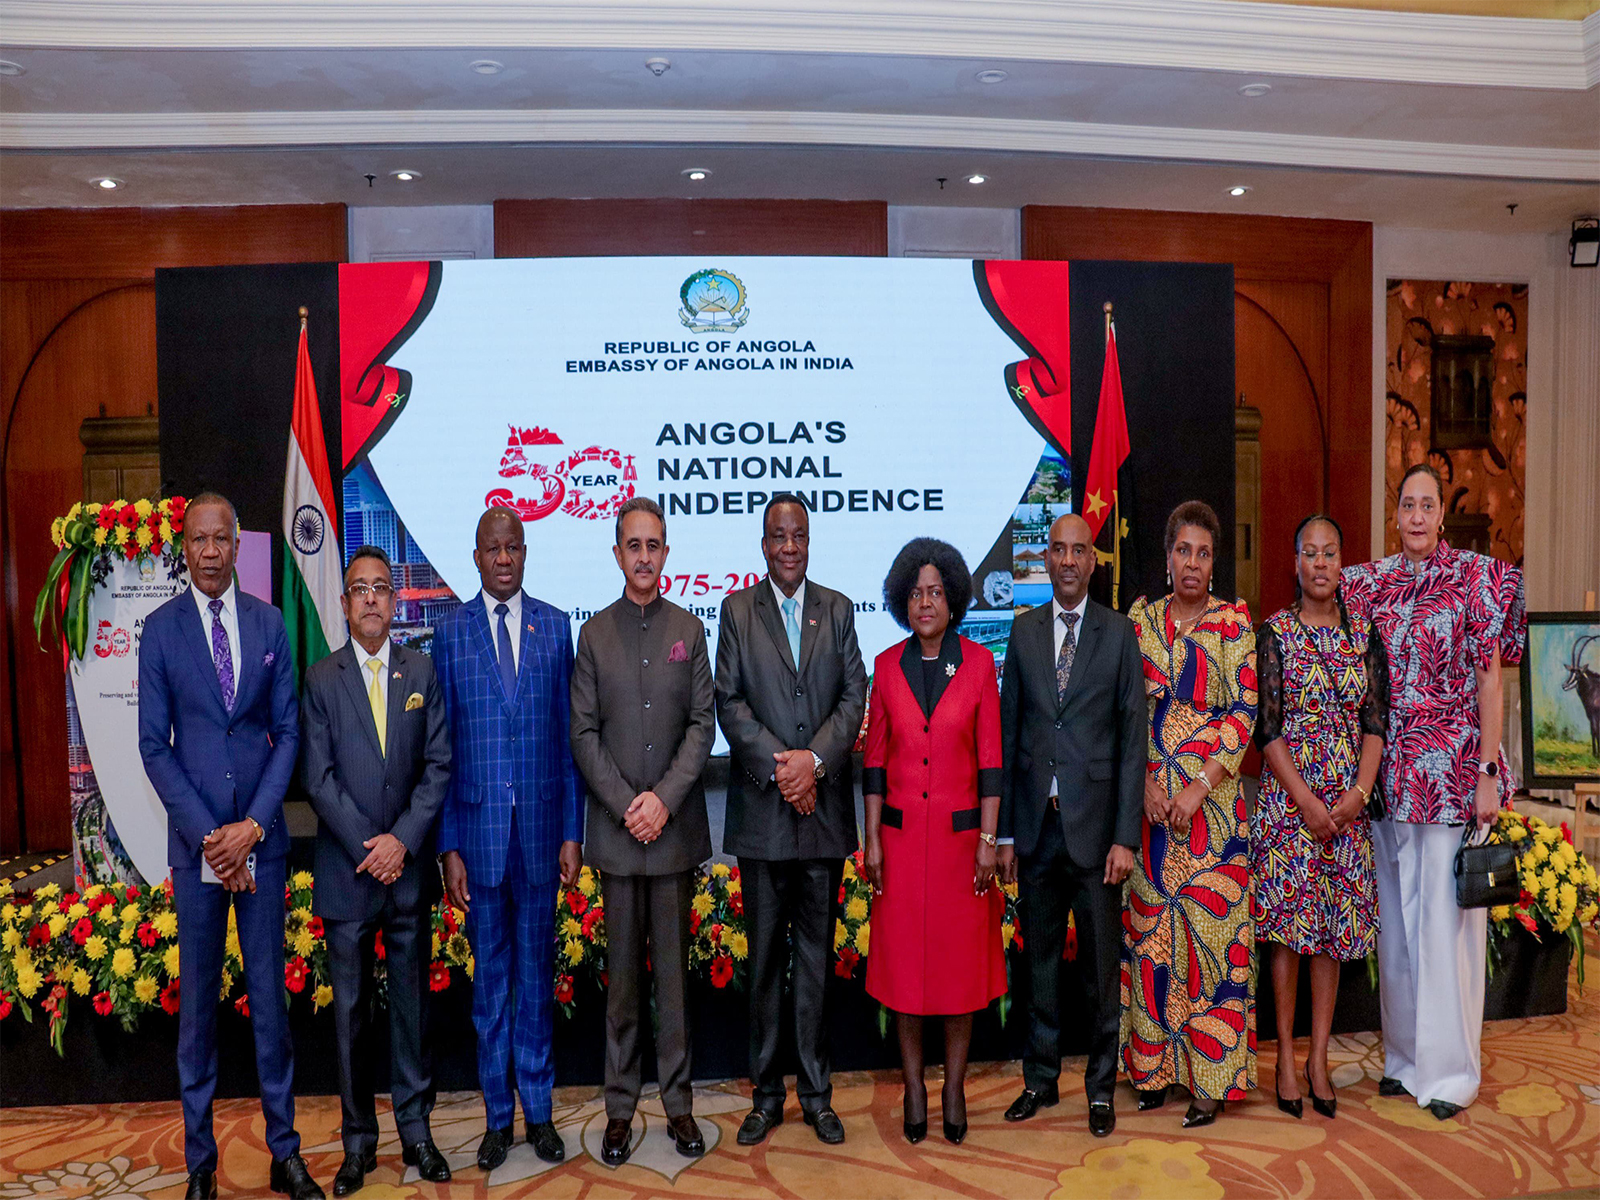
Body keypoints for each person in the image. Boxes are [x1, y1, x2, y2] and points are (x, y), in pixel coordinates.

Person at [137, 491, 324, 1200]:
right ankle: (199, 1164)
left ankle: (285, 1153)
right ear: (183, 547)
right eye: (199, 540)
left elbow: (289, 733)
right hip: (199, 853)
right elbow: (155, 747)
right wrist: (214, 838)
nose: (211, 551)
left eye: (222, 539)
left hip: (261, 843)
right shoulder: (160, 631)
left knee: (271, 1009)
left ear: (238, 545)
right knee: (198, 1018)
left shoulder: (269, 622)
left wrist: (253, 827)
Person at [1341, 463, 1525, 1120]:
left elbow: (1490, 680)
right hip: (1389, 777)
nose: (1417, 516)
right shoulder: (1370, 584)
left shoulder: (1476, 579)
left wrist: (1487, 772)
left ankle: (1450, 1074)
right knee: (1397, 926)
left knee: (1447, 928)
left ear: (1442, 515)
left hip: (1453, 775)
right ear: (1395, 515)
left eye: (1428, 505)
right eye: (1407, 505)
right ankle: (1405, 1058)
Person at [715, 493, 867, 1146]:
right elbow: (728, 702)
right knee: (763, 966)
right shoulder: (736, 612)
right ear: (763, 544)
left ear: (809, 541)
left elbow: (854, 696)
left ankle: (817, 1095)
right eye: (778, 536)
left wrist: (815, 763)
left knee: (815, 964)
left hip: (822, 819)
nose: (789, 546)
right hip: (764, 821)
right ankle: (767, 1096)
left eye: (798, 535)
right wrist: (786, 770)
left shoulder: (838, 609)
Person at [435, 508, 585, 1169]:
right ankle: (499, 1117)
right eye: (492, 549)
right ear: (476, 557)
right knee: (491, 988)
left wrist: (573, 832)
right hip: (479, 841)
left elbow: (570, 741)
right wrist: (448, 847)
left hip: (543, 836)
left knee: (536, 982)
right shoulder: (450, 633)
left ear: (526, 553)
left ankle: (541, 1114)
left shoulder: (554, 627)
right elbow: (441, 751)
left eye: (513, 547)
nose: (503, 558)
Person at [299, 545, 452, 1192]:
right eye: (359, 588)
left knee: (413, 1012)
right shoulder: (320, 679)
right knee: (351, 1019)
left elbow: (438, 765)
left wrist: (402, 843)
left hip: (407, 873)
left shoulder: (422, 671)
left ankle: (417, 1132)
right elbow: (317, 778)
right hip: (349, 873)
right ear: (344, 603)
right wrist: (372, 847)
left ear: (395, 601)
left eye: (381, 588)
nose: (370, 598)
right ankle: (358, 1142)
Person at [569, 498, 715, 1167]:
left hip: (674, 834)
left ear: (666, 552)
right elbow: (583, 733)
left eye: (654, 545)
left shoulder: (690, 629)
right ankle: (621, 1109)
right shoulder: (594, 635)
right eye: (634, 545)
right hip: (620, 836)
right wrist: (632, 804)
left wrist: (664, 801)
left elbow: (702, 725)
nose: (645, 556)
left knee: (674, 988)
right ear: (617, 553)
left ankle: (679, 1106)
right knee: (624, 986)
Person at [996, 515, 1146, 1139]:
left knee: (1099, 974)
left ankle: (1101, 1088)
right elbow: (1009, 736)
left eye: (1078, 551)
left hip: (1097, 835)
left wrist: (1125, 837)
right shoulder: (1023, 630)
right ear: (1045, 559)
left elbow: (1133, 741)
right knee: (1040, 968)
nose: (1066, 560)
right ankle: (1040, 1079)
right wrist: (1005, 834)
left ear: (1092, 562)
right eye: (1056, 549)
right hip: (1037, 830)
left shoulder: (1119, 633)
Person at [859, 538, 1005, 1145]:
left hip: (959, 848)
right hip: (898, 847)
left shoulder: (978, 665)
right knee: (904, 975)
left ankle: (954, 1087)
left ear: (953, 600)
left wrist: (989, 840)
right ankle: (915, 1086)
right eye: (916, 593)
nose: (925, 602)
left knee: (958, 973)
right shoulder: (886, 666)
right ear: (903, 600)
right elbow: (873, 763)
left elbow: (991, 764)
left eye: (936, 592)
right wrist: (871, 838)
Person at [1122, 499, 1257, 1128]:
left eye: (1204, 553)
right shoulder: (1140, 620)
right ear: (1168, 555)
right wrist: (1145, 782)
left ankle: (1210, 1080)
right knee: (1152, 941)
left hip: (1213, 813)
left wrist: (1199, 785)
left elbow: (1244, 711)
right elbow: (1124, 709)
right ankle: (1153, 1072)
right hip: (1151, 809)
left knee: (1210, 943)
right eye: (1184, 551)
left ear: (1214, 561)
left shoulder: (1234, 621)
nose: (1193, 563)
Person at [1252, 515, 1387, 1122]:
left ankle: (1320, 1058)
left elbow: (1375, 721)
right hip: (1291, 806)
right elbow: (1267, 728)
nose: (1321, 563)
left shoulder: (1365, 635)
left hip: (1346, 808)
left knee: (1332, 930)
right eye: (1310, 553)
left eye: (1331, 553)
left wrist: (1359, 792)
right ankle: (1285, 1054)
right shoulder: (1275, 633)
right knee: (1288, 933)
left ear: (1341, 563)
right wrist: (1306, 800)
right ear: (1296, 564)